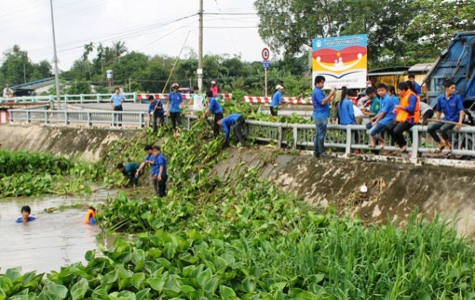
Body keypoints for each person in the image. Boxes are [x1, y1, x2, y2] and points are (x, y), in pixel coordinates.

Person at [428, 79, 464, 156]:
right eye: (452, 88)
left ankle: (447, 145)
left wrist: (460, 122)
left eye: (454, 88)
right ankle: (440, 143)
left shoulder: (456, 98)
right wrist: (437, 120)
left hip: (453, 120)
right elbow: (438, 110)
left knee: (443, 129)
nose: (454, 90)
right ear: (446, 88)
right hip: (445, 119)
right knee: (430, 128)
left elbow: (461, 111)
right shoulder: (440, 98)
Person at [390, 82, 420, 152]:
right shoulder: (403, 97)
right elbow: (403, 108)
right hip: (403, 118)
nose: (398, 92)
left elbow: (411, 109)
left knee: (396, 130)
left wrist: (400, 107)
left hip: (410, 119)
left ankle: (403, 144)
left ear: (403, 90)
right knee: (389, 127)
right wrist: (397, 110)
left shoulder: (411, 96)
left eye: (398, 91)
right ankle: (399, 143)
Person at [366, 84, 398, 150]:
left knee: (372, 131)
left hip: (388, 119)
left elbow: (383, 112)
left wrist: (376, 121)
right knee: (368, 125)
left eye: (382, 90)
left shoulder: (387, 99)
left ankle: (382, 142)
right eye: (379, 91)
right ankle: (372, 142)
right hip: (382, 119)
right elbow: (380, 111)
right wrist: (374, 118)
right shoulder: (381, 98)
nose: (380, 92)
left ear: (386, 90)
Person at [312, 75, 336, 157]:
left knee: (318, 135)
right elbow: (322, 102)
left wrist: (329, 98)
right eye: (322, 83)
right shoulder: (317, 91)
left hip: (319, 115)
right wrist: (331, 94)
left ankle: (316, 152)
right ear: (317, 83)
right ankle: (321, 152)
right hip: (321, 115)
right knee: (321, 135)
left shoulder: (316, 91)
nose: (323, 84)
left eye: (323, 83)